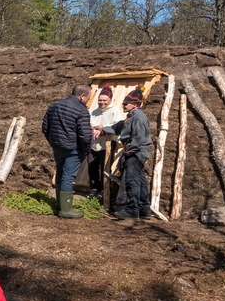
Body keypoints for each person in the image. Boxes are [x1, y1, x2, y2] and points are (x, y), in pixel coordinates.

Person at [97, 88, 152, 220]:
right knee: (141, 181)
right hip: (135, 152)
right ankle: (145, 209)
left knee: (132, 181)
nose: (123, 105)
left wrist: (129, 151)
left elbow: (139, 137)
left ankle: (133, 210)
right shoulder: (131, 116)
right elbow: (118, 127)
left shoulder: (139, 117)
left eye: (126, 103)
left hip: (136, 153)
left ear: (134, 104)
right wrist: (102, 128)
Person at [41, 83, 94, 219]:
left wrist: (53, 141)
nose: (88, 99)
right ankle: (66, 209)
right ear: (82, 96)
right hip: (73, 148)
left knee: (60, 172)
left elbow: (45, 126)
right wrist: (86, 150)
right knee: (68, 176)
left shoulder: (55, 105)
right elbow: (85, 135)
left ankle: (59, 204)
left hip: (58, 146)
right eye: (88, 97)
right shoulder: (81, 110)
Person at [88, 85, 121, 197]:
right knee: (92, 166)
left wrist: (103, 129)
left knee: (104, 167)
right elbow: (90, 122)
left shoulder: (114, 111)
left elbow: (116, 126)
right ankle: (94, 187)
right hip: (93, 144)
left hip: (106, 144)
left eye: (104, 100)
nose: (102, 102)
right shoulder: (94, 111)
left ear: (110, 100)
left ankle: (103, 189)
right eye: (100, 100)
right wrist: (91, 127)